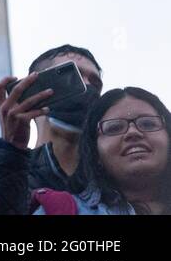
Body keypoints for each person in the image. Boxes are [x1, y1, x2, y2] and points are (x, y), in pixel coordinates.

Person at [0, 44, 103, 215]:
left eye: (95, 82)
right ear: (32, 90)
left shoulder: (111, 178)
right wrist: (11, 153)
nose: (87, 85)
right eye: (73, 75)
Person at [32, 87, 170, 215]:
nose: (133, 132)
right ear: (95, 153)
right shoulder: (59, 210)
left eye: (148, 123)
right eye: (114, 128)